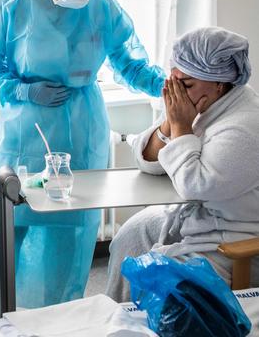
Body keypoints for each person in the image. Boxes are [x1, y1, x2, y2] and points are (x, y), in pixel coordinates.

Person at [0, 0, 165, 308]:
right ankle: (5, 313)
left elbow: (127, 61)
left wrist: (164, 86)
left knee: (72, 231)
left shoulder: (102, 4)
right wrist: (24, 91)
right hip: (25, 130)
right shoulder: (10, 7)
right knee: (15, 223)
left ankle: (63, 313)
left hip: (83, 129)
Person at [106, 27, 259, 302]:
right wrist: (170, 122)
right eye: (172, 81)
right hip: (199, 221)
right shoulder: (205, 106)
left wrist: (180, 126)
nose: (176, 92)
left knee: (166, 286)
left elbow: (195, 186)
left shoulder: (245, 126)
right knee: (131, 234)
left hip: (233, 241)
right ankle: (119, 319)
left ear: (219, 84)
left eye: (185, 85)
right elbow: (149, 162)